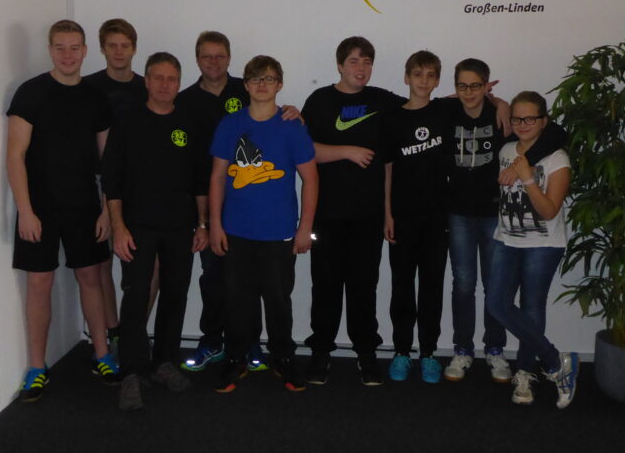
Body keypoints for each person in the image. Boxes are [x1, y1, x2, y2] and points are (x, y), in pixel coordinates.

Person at [7, 20, 118, 402]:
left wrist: (106, 211)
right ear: (50, 50)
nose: (67, 55)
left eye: (74, 48)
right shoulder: (30, 93)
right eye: (60, 47)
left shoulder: (96, 97)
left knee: (91, 277)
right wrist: (25, 210)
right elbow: (15, 156)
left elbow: (108, 161)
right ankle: (37, 368)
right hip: (38, 206)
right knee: (39, 283)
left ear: (85, 51)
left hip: (85, 204)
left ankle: (102, 356)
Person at [383, 51, 511, 384]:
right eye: (417, 74)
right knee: (401, 286)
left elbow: (472, 99)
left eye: (430, 75)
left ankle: (428, 353)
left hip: (439, 216)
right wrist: (387, 213)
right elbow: (388, 169)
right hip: (403, 216)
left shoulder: (444, 110)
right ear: (406, 77)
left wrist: (500, 102)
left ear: (438, 81)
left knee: (433, 286)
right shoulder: (394, 117)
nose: (423, 81)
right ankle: (401, 351)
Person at [176, 31, 300, 372]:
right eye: (206, 56)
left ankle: (251, 345)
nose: (213, 62)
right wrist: (206, 221)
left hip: (252, 212)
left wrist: (293, 111)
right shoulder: (184, 101)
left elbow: (276, 120)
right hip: (208, 206)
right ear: (197, 59)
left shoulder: (245, 91)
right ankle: (213, 341)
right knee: (215, 282)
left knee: (258, 287)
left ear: (229, 59)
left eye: (220, 55)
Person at [444, 59, 566, 383]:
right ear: (455, 88)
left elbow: (557, 134)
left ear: (488, 85)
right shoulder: (447, 112)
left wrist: (521, 164)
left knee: (494, 289)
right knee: (463, 283)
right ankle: (462, 349)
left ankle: (495, 349)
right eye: (462, 85)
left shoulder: (504, 117)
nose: (469, 92)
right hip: (458, 212)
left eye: (476, 85)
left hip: (494, 216)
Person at [101, 52, 209, 410]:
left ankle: (164, 362)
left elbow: (200, 180)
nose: (165, 85)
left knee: (176, 295)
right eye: (158, 78)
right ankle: (131, 372)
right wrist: (118, 228)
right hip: (137, 227)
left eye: (171, 79)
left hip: (180, 226)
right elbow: (112, 180)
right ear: (146, 81)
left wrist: (203, 224)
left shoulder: (190, 123)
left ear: (179, 83)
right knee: (136, 297)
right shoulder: (128, 122)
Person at [208, 55, 318, 393]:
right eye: (255, 78)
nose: (261, 84)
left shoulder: (292, 126)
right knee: (236, 300)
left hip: (279, 231)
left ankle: (283, 359)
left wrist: (305, 227)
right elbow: (217, 177)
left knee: (278, 300)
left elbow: (311, 180)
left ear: (279, 84)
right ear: (246, 84)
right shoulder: (230, 124)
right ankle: (236, 358)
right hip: (236, 230)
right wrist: (214, 224)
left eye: (269, 79)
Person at [301, 36, 403, 386]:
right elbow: (305, 149)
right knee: (325, 286)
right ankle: (320, 353)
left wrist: (492, 101)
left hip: (368, 214)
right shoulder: (320, 100)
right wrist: (346, 150)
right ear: (340, 65)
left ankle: (366, 353)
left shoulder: (381, 100)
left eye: (367, 61)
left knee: (364, 286)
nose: (362, 68)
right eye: (355, 61)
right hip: (327, 213)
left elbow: (422, 106)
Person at [486, 91, 578, 408]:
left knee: (532, 307)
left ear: (544, 121)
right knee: (496, 303)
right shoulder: (506, 150)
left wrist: (527, 178)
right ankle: (555, 361)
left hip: (543, 244)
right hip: (506, 239)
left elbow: (550, 211)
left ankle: (525, 373)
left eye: (530, 118)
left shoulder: (557, 158)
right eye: (517, 119)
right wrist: (497, 103)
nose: (523, 124)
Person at [84, 18, 147, 353]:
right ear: (102, 49)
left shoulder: (147, 87)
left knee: (147, 264)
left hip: (140, 187)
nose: (119, 52)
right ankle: (114, 332)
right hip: (98, 184)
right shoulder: (89, 87)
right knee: (102, 262)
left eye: (125, 45)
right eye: (112, 46)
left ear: (134, 48)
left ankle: (133, 330)